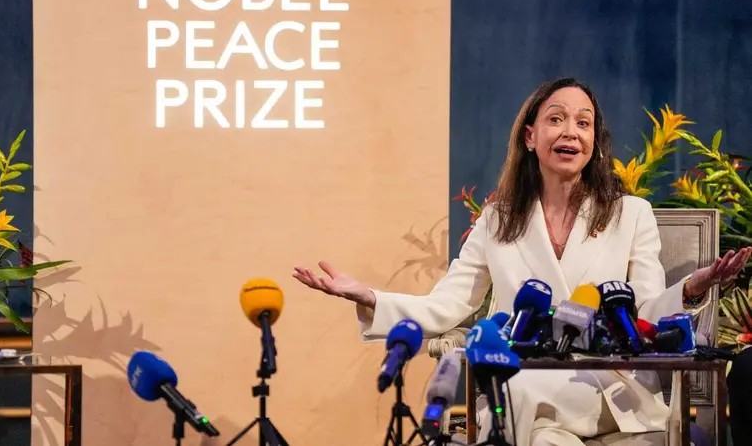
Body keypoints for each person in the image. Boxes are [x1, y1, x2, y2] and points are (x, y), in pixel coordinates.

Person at [293, 77, 752, 446]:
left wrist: (691, 288)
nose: (570, 131)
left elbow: (645, 313)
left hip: (607, 385)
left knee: (514, 400)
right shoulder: (497, 219)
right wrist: (368, 296)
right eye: (556, 119)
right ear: (530, 136)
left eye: (583, 122)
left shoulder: (630, 214)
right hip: (526, 378)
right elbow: (449, 305)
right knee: (537, 427)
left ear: (594, 140)